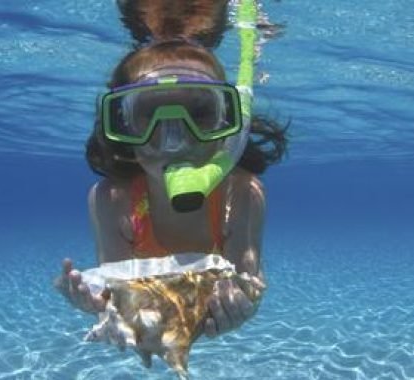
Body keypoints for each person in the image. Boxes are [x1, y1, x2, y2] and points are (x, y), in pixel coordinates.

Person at [56, 0, 287, 338]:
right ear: (122, 125)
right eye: (149, 114)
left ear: (226, 121)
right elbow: (119, 290)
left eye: (199, 112)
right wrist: (101, 301)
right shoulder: (113, 199)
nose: (175, 141)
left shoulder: (242, 193)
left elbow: (249, 283)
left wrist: (240, 305)